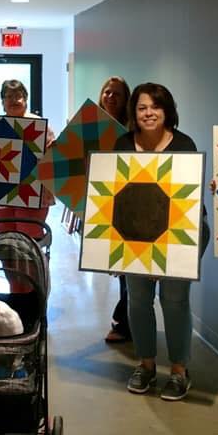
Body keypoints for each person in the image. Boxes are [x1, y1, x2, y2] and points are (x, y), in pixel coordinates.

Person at [117, 82, 208, 401]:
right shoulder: (123, 144)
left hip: (178, 237)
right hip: (133, 237)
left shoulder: (184, 145)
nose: (148, 113)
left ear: (167, 111)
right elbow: (115, 198)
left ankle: (180, 371)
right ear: (134, 113)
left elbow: (189, 204)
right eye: (142, 108)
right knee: (138, 301)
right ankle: (146, 365)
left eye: (155, 107)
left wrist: (163, 254)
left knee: (174, 301)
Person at [0, 79, 56, 241]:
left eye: (18, 96)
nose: (13, 100)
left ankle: (34, 267)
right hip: (0, 194)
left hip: (33, 192)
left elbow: (53, 159)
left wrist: (53, 151)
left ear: (25, 100)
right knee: (5, 241)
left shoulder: (39, 125)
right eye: (8, 96)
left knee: (30, 241)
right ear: (3, 102)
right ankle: (9, 267)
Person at [98, 76, 133, 344]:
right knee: (120, 268)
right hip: (105, 206)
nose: (110, 97)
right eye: (107, 92)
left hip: (128, 205)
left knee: (128, 269)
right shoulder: (92, 125)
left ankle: (125, 323)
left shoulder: (133, 131)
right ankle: (126, 321)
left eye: (117, 94)